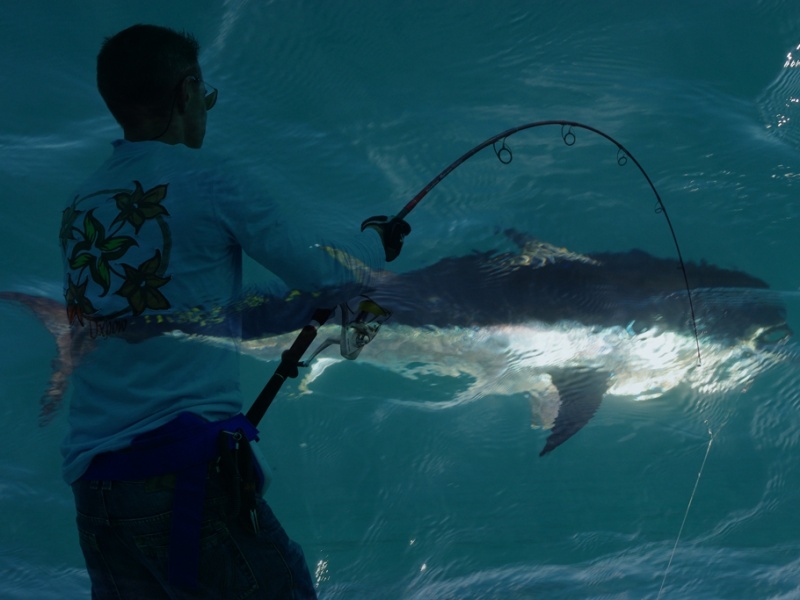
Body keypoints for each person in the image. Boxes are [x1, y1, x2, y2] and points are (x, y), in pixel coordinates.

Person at [60, 24, 407, 599]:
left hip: (97, 491)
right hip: (182, 479)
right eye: (204, 93)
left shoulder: (79, 206)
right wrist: (377, 244)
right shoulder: (211, 182)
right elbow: (326, 279)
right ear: (186, 91)